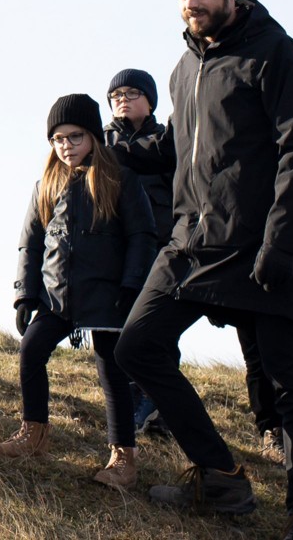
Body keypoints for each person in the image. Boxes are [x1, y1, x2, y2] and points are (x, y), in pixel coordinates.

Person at [111, 0, 293, 537]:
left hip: (261, 244)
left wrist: (280, 245)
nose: (191, 3)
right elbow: (175, 149)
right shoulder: (184, 69)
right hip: (190, 245)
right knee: (137, 347)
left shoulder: (277, 54)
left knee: (286, 381)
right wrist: (115, 150)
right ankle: (221, 478)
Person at [0, 94, 155, 489]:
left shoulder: (121, 179)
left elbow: (142, 235)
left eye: (75, 136)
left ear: (93, 135)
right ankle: (32, 434)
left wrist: (132, 285)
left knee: (112, 372)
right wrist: (25, 295)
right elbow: (30, 243)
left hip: (108, 296)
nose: (66, 146)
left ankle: (123, 458)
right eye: (58, 139)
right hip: (56, 296)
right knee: (31, 350)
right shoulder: (45, 185)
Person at [103, 68, 178, 442]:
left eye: (132, 93)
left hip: (162, 249)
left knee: (160, 329)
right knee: (120, 329)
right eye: (116, 95)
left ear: (150, 101)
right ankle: (130, 403)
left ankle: (163, 409)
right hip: (115, 249)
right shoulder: (98, 142)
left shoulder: (168, 143)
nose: (123, 99)